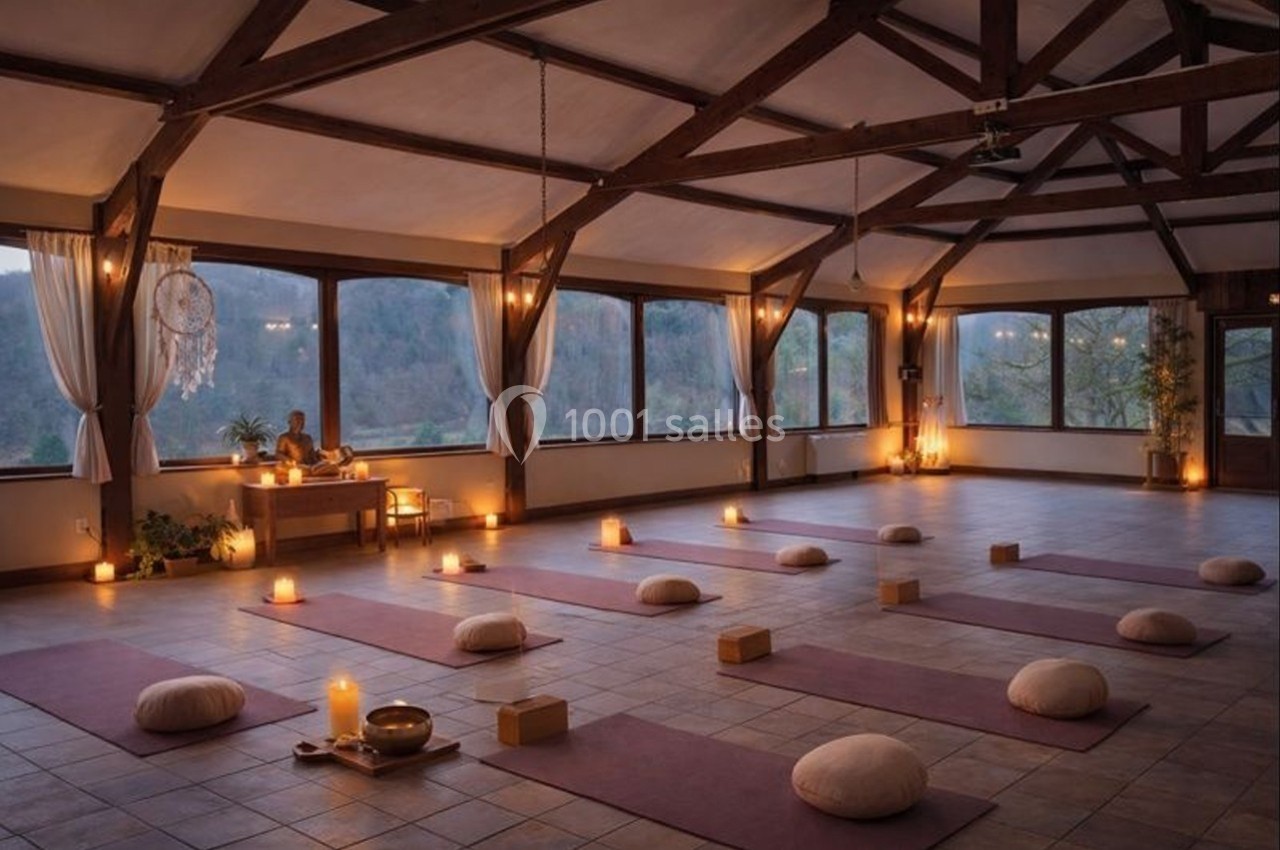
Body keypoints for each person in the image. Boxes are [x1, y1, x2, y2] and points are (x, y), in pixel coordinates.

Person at [275, 410, 348, 477]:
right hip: (295, 466)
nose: (300, 423)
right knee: (284, 468)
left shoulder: (307, 438)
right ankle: (309, 470)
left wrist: (322, 458)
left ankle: (313, 471)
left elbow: (312, 456)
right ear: (289, 422)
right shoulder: (284, 437)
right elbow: (278, 453)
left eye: (302, 420)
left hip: (310, 466)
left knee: (333, 466)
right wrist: (290, 461)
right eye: (297, 420)